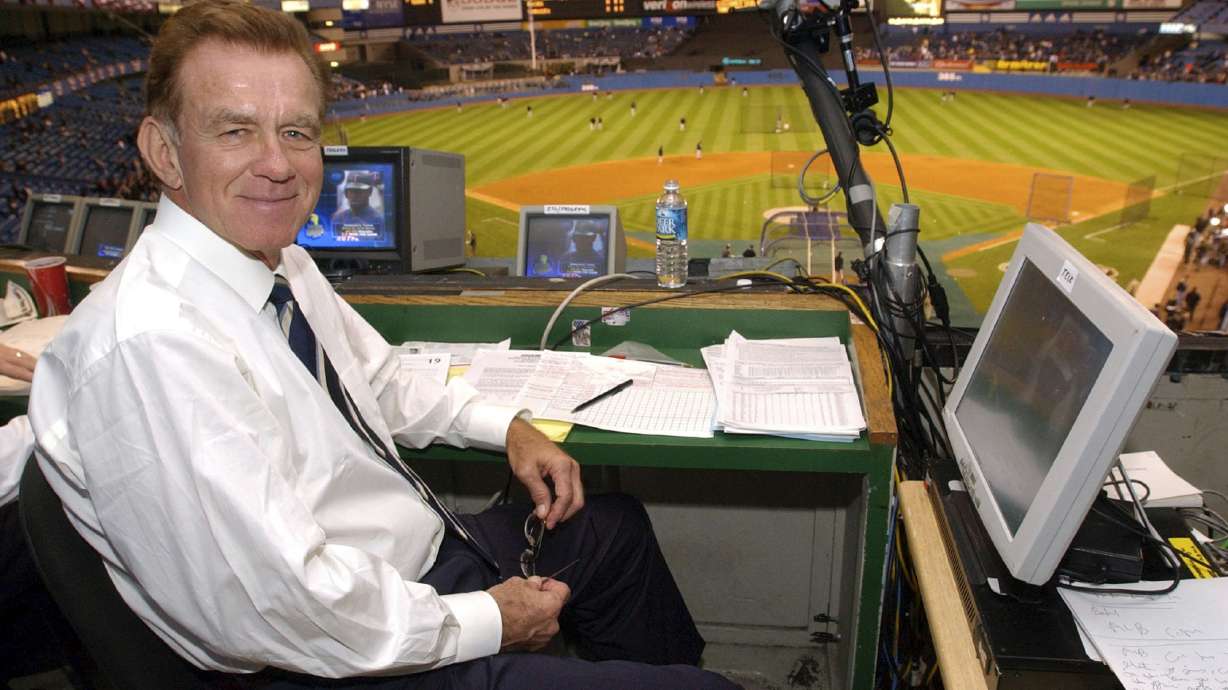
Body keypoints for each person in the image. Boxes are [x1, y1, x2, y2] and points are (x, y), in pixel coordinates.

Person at [27, 4, 731, 689]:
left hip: (409, 570)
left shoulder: (283, 266)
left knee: (619, 531)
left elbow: (382, 382)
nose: (278, 164)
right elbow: (276, 608)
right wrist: (490, 621)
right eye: (236, 131)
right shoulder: (152, 346)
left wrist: (506, 428)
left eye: (297, 132)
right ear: (164, 151)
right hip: (331, 656)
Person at [330, 171, 385, 242]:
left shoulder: (379, 220)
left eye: (359, 191)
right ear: (346, 193)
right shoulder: (338, 218)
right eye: (351, 191)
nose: (354, 195)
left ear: (369, 192)